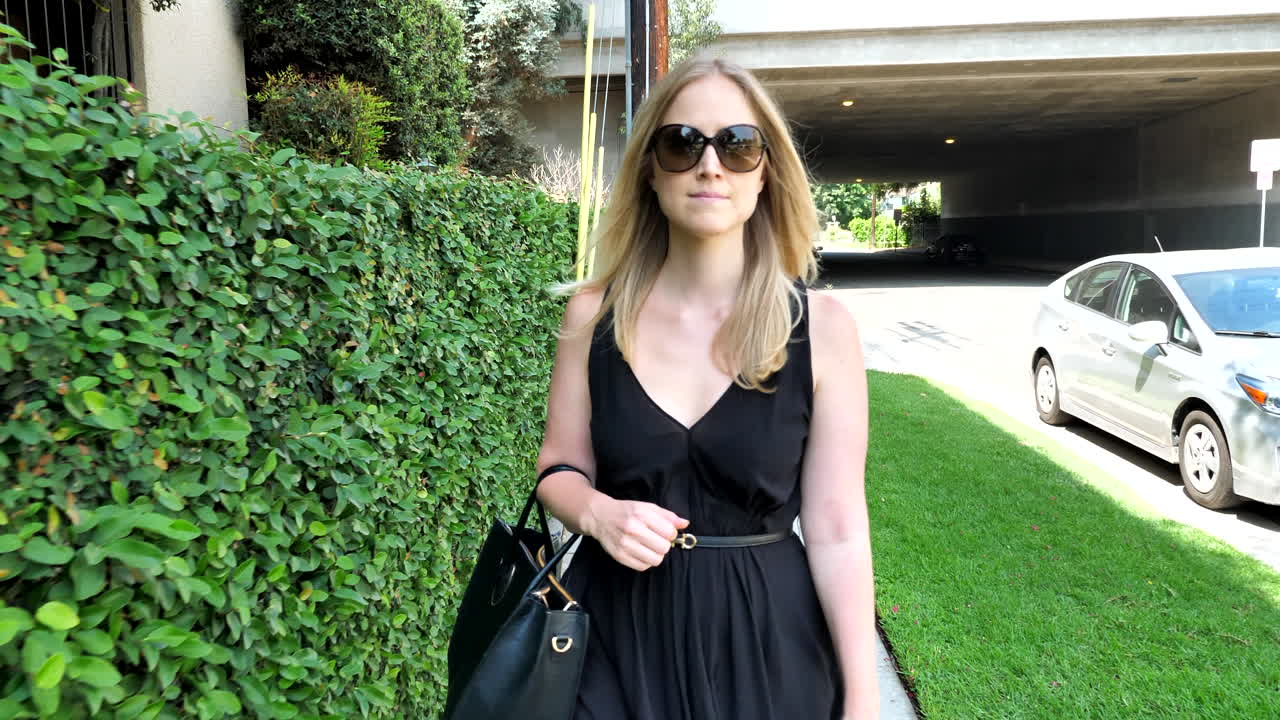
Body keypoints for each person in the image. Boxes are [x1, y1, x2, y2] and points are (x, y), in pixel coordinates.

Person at [535, 57, 878, 720]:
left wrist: (862, 698)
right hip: (612, 640)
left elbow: (837, 526)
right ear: (650, 170)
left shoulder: (824, 331)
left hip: (767, 649)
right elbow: (558, 467)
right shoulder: (591, 317)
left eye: (738, 145)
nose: (710, 165)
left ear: (765, 174)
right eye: (682, 143)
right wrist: (599, 514)